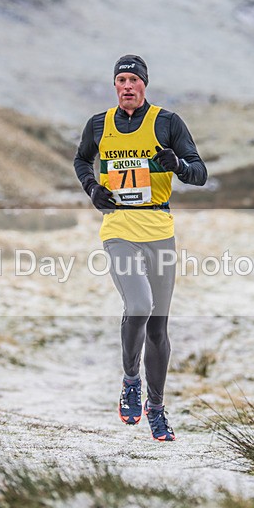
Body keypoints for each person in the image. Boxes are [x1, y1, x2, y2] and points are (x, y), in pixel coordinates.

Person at [74, 54, 207, 441]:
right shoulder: (98, 125)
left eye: (134, 80)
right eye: (121, 80)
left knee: (159, 327)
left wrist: (178, 164)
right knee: (138, 306)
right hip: (118, 228)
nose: (128, 86)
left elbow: (200, 173)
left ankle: (157, 407)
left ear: (144, 85)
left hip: (160, 229)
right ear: (115, 86)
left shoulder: (167, 122)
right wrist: (93, 189)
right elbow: (82, 160)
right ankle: (131, 380)